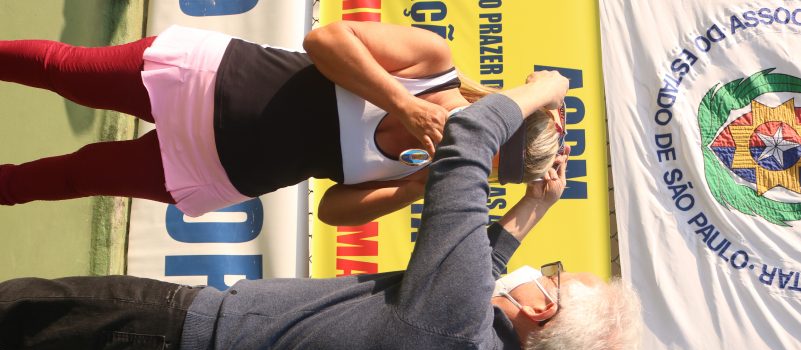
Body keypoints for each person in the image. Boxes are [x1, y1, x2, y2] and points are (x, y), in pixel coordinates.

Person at [0, 75, 642, 350]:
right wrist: (533, 206)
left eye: (554, 279)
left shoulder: (453, 327)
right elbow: (475, 278)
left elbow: (469, 135)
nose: (542, 275)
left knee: (20, 309)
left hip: (179, 339)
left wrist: (542, 87)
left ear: (542, 309)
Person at [0, 21, 563, 224]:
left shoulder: (422, 175)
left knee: (75, 178)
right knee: (63, 71)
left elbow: (332, 210)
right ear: (496, 114)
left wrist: (416, 187)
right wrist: (401, 102)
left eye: (484, 166)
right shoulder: (433, 64)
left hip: (215, 170)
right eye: (487, 142)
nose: (470, 154)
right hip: (207, 81)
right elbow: (325, 40)